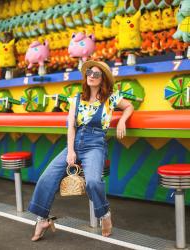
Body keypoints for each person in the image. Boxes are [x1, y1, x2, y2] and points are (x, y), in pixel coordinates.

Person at [28, 60, 134, 241]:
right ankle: (42, 219)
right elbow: (71, 127)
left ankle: (105, 214)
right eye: (89, 73)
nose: (91, 76)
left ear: (103, 79)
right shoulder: (76, 98)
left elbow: (129, 106)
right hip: (75, 143)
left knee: (93, 182)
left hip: (95, 144)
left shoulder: (111, 97)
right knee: (46, 177)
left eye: (96, 74)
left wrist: (122, 120)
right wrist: (70, 151)